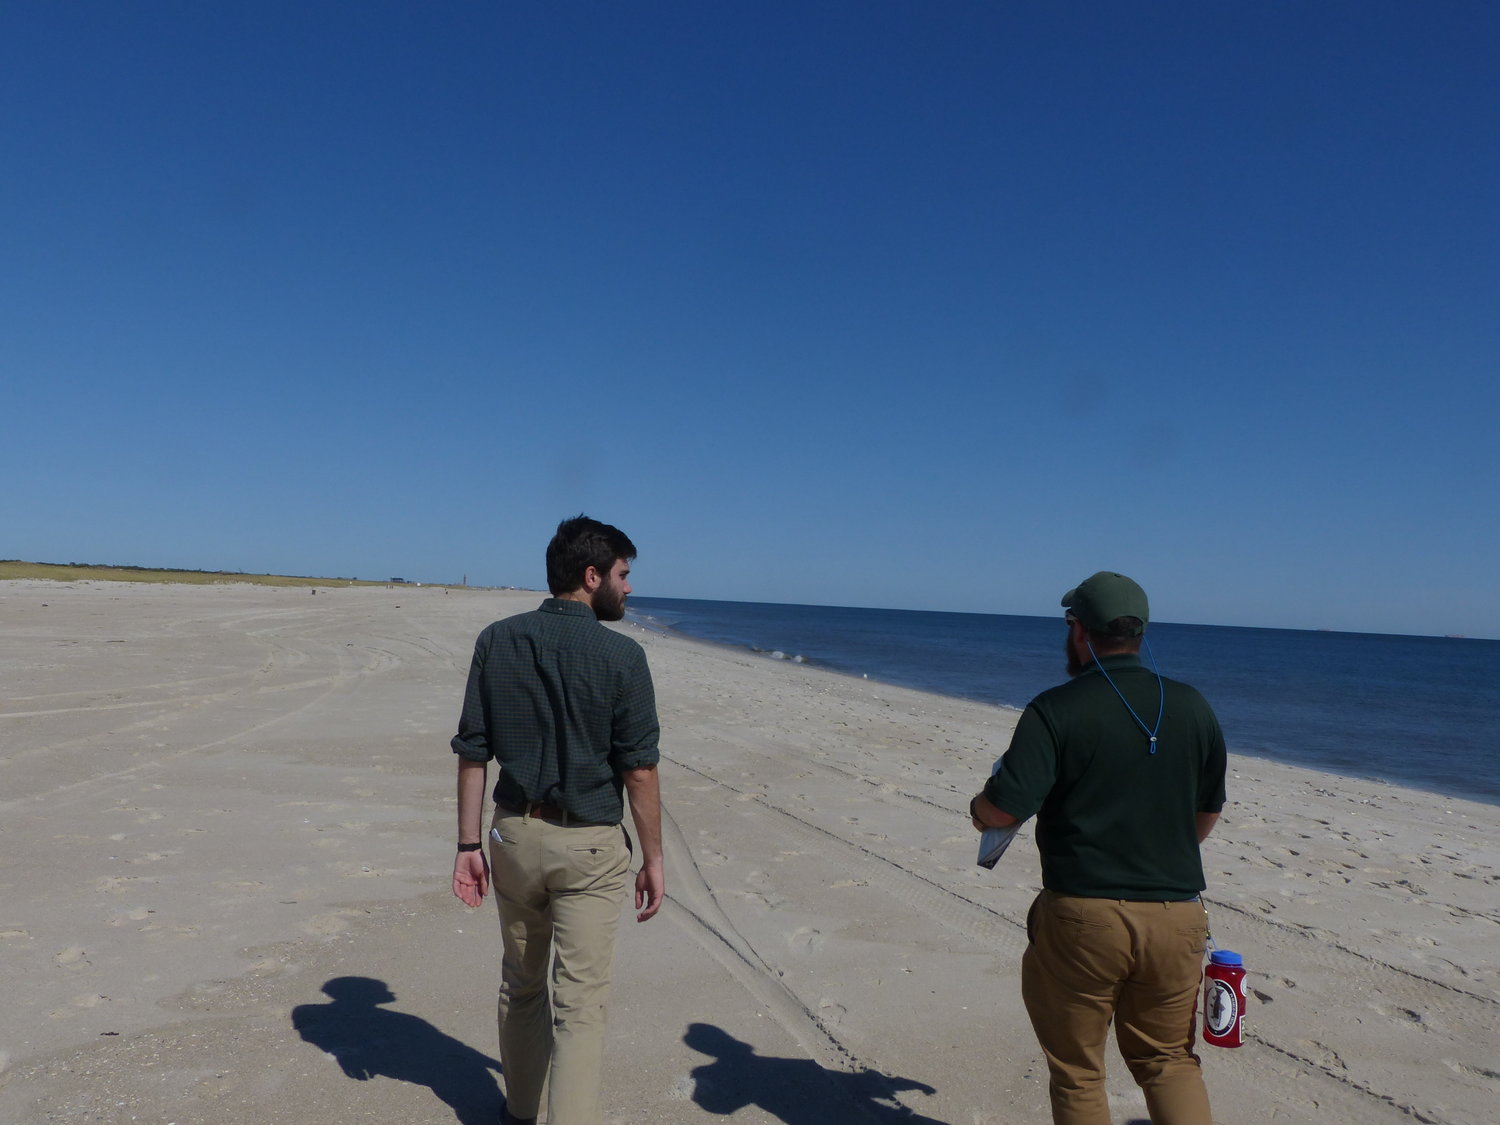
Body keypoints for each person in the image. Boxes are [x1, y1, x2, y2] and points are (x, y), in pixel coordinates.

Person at [969, 571, 1226, 1125]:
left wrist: (978, 811)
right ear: (1139, 632)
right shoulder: (1193, 706)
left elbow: (1005, 808)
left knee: (1079, 1073)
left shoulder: (1055, 709)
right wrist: (1160, 851)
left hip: (1084, 914)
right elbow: (1205, 814)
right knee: (1170, 1063)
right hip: (1177, 914)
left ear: (1080, 631)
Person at [450, 515, 665, 1125]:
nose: (628, 589)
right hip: (589, 847)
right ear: (590, 575)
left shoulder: (497, 639)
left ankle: (519, 1114)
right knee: (580, 1006)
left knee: (521, 985)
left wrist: (468, 842)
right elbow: (640, 772)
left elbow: (473, 750)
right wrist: (653, 860)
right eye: (623, 576)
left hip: (511, 836)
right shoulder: (623, 656)